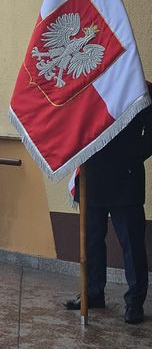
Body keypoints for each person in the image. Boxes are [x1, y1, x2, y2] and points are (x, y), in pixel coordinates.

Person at [64, 85, 152, 325]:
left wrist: (128, 157)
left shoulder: (143, 89)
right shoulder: (92, 85)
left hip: (126, 178)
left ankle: (134, 302)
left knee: (132, 246)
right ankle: (93, 293)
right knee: (91, 242)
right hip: (93, 177)